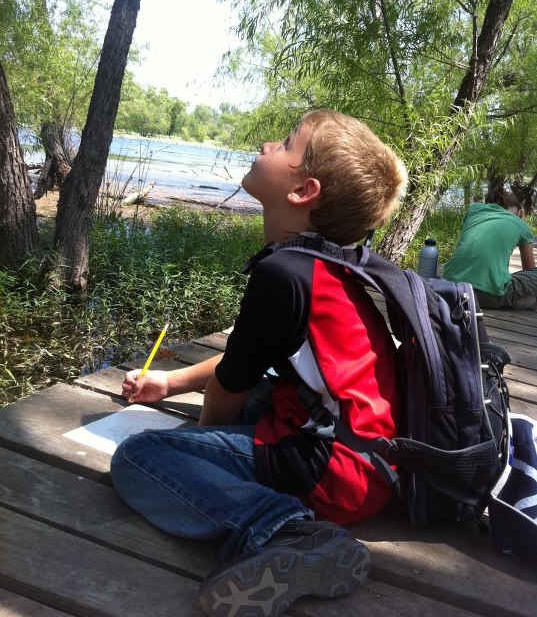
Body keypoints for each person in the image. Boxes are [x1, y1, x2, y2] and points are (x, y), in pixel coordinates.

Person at [110, 109, 408, 617]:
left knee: (140, 459)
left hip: (334, 473)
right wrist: (169, 381)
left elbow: (229, 391)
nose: (268, 145)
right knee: (266, 393)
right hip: (369, 456)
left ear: (303, 191)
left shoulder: (283, 274)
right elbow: (247, 363)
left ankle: (284, 530)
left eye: (287, 143)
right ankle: (288, 525)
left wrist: (197, 446)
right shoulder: (320, 266)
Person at [443, 186, 537, 310]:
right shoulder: (521, 225)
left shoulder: (474, 209)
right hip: (488, 296)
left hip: (451, 287)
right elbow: (528, 268)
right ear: (519, 212)